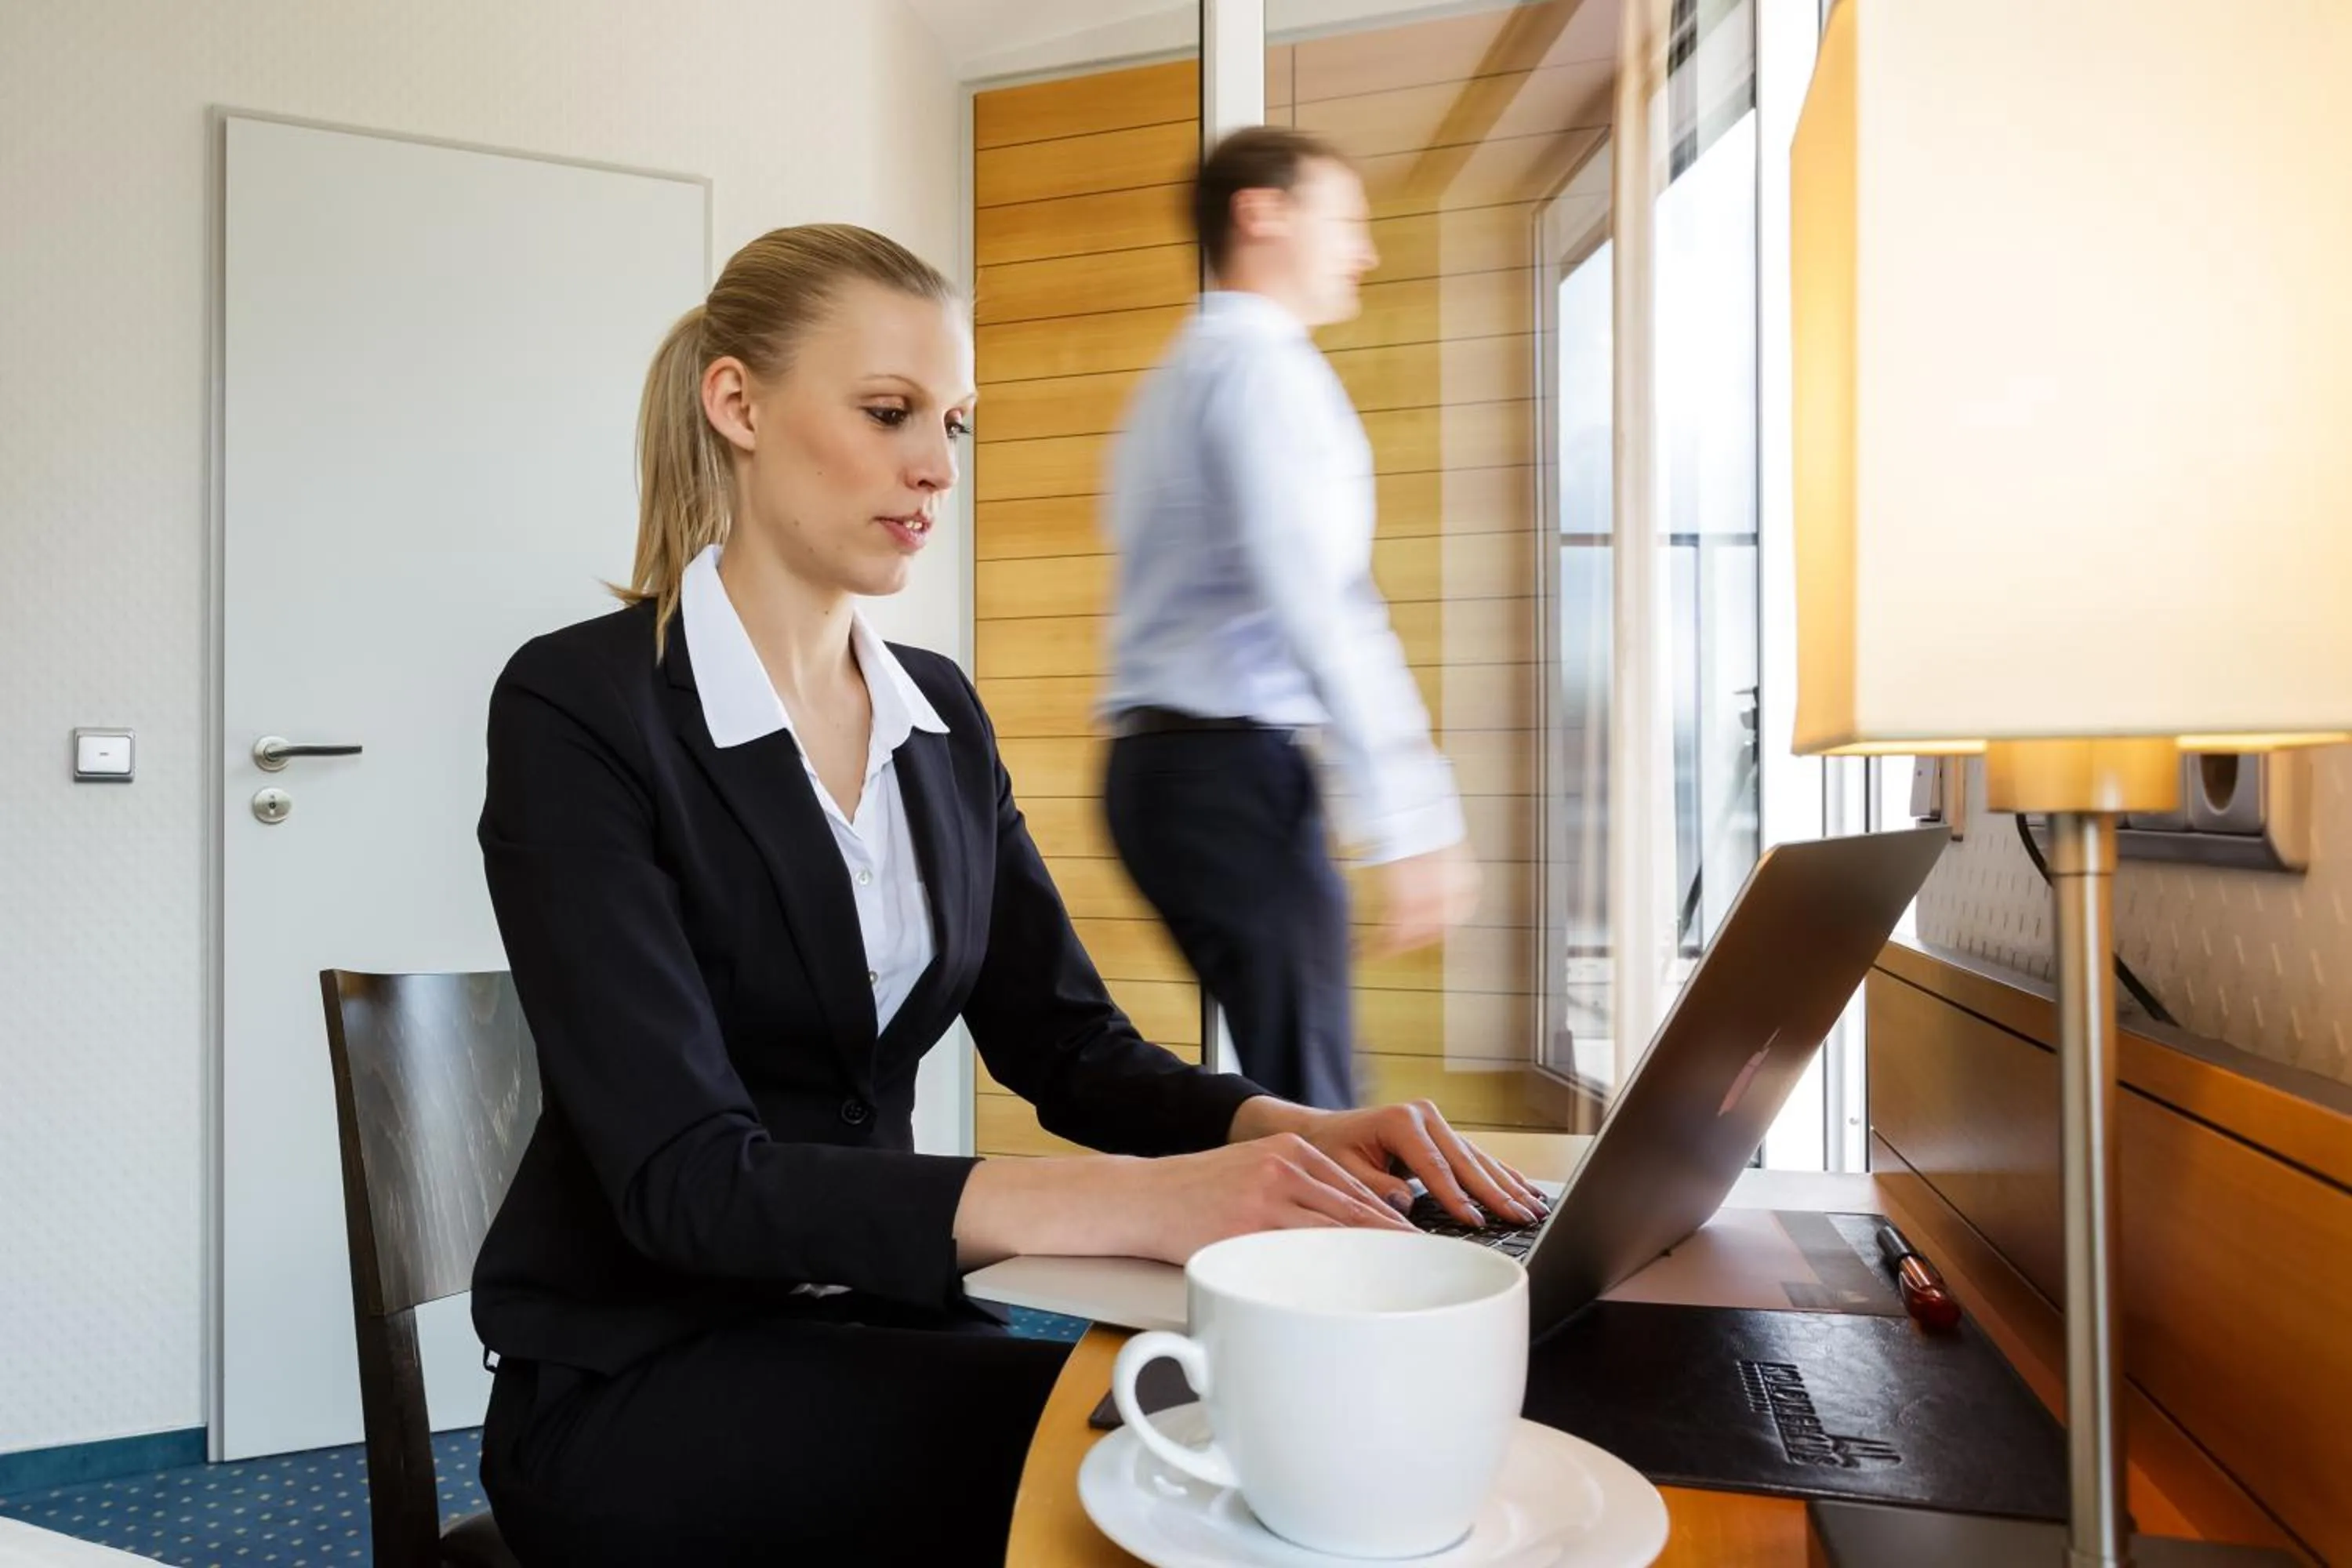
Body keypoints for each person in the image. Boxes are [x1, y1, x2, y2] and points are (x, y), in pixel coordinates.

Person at [469, 222, 1548, 1566]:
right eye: (887, 412)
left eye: (953, 426)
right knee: (1184, 1460)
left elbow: (1069, 1047)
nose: (934, 466)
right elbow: (690, 1182)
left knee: (1222, 1431)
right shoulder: (584, 707)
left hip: (879, 1319)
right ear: (736, 403)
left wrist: (1301, 1129)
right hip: (645, 1376)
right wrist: (1147, 1205)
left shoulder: (941, 718)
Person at [1102, 126, 1480, 1112]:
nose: (1366, 249)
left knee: (1300, 1084)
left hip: (1166, 772)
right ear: (1260, 213)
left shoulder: (1177, 378)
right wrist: (1410, 815)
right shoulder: (1263, 370)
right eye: (1346, 219)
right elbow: (1322, 605)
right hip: (1230, 775)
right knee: (1315, 1100)